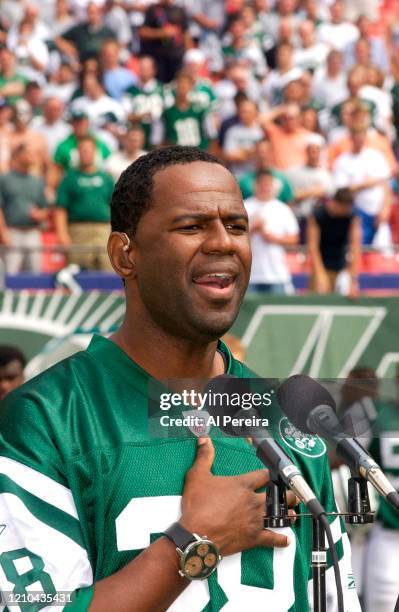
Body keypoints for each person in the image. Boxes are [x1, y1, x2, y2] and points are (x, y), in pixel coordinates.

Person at [0, 146, 361, 611]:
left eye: (236, 226)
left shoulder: (286, 418)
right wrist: (193, 541)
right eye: (192, 226)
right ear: (124, 254)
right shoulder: (46, 418)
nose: (222, 243)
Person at [54, 135, 114, 271]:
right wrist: (62, 234)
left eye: (88, 150)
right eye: (81, 150)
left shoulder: (106, 179)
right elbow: (60, 208)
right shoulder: (69, 178)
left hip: (103, 230)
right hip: (78, 230)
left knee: (107, 270)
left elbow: (115, 207)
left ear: (95, 152)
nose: (85, 153)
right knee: (79, 271)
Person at [245, 168, 299, 293]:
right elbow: (233, 238)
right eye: (261, 184)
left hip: (277, 274)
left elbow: (294, 239)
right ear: (255, 185)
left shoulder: (282, 209)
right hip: (250, 276)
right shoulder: (244, 206)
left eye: (267, 184)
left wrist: (274, 238)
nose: (265, 187)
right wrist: (252, 229)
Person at [0, 143, 48, 274]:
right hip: (12, 231)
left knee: (36, 273)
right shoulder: (5, 179)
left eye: (35, 153)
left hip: (33, 232)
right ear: (18, 155)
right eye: (29, 153)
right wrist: (3, 232)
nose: (33, 157)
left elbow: (45, 208)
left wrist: (40, 214)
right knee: (10, 272)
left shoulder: (38, 181)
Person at [307, 188, 361, 297]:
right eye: (345, 207)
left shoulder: (352, 217)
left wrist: (353, 280)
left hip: (342, 268)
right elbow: (313, 246)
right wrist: (320, 274)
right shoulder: (318, 215)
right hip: (321, 266)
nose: (347, 211)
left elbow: (355, 248)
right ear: (336, 203)